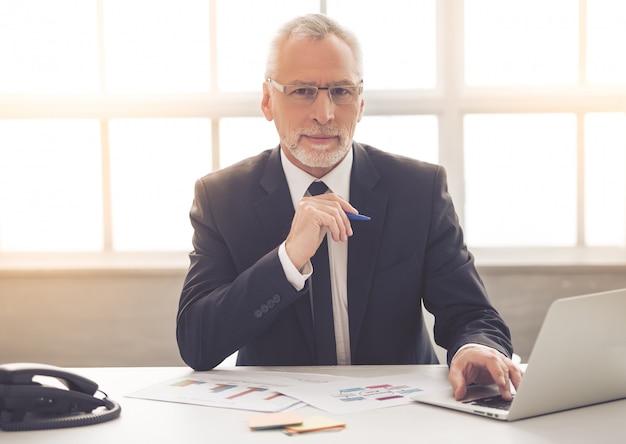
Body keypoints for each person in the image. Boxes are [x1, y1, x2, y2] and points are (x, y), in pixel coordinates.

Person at [176, 13, 522, 401]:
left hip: (400, 414)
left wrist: (477, 347)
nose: (324, 114)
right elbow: (197, 342)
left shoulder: (419, 189)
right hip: (279, 416)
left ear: (360, 103)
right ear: (267, 100)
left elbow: (472, 314)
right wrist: (288, 260)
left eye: (340, 91)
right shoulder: (221, 197)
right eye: (303, 91)